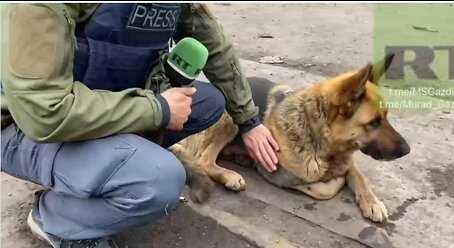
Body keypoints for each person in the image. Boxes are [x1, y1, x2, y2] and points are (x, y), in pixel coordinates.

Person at [1, 3, 279, 248]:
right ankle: (56, 219)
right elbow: (44, 113)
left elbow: (212, 40)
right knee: (161, 179)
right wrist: (156, 109)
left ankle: (102, 174)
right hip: (20, 125)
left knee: (207, 103)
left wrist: (249, 121)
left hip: (98, 105)